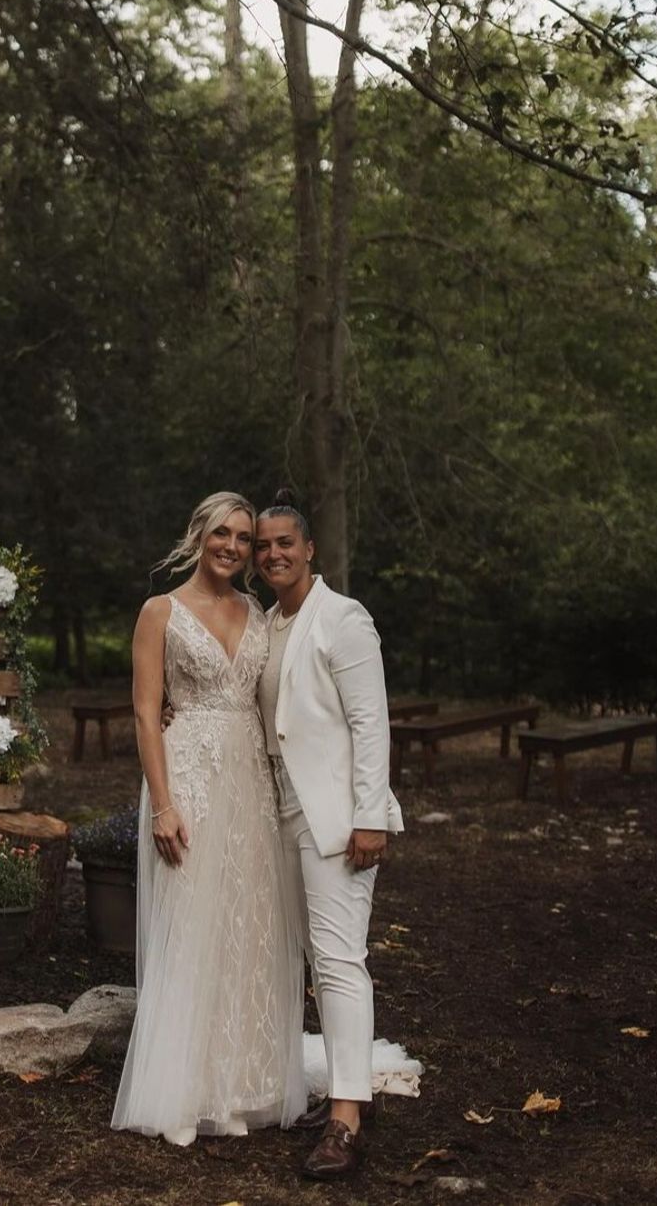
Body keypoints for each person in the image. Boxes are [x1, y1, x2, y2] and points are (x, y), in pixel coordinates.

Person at [111, 491, 306, 1146]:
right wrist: (163, 803)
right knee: (190, 921)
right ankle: (183, 1090)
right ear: (198, 534)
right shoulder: (159, 612)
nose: (233, 545)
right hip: (187, 780)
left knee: (246, 925)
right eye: (222, 532)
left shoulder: (259, 611)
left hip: (250, 782)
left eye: (245, 538)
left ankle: (237, 1086)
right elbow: (145, 711)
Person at [254, 491, 404, 1180]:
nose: (274, 553)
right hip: (279, 809)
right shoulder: (267, 621)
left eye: (286, 541)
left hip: (337, 816)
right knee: (304, 956)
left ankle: (347, 1118)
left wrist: (370, 814)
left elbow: (372, 721)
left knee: (340, 961)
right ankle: (337, 1092)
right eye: (264, 545)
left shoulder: (342, 618)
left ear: (310, 549)